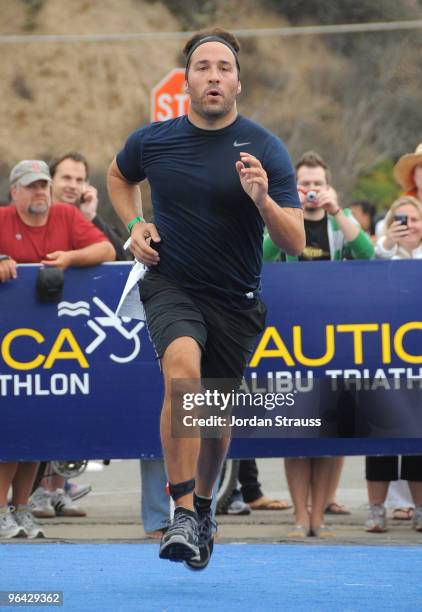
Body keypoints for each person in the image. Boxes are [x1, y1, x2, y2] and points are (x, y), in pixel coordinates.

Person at [107, 27, 304, 569]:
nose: (213, 75)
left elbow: (296, 241)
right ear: (186, 80)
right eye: (202, 67)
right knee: (181, 373)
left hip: (235, 300)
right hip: (171, 284)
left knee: (215, 420)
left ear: (238, 81)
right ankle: (183, 513)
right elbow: (119, 176)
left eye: (223, 67)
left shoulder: (264, 147)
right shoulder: (155, 140)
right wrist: (135, 224)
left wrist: (263, 199)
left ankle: (205, 506)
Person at [0, 160, 115, 539]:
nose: (39, 194)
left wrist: (70, 259)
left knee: (38, 430)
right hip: (10, 347)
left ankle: (22, 509)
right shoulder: (2, 219)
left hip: (53, 346)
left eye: (43, 186)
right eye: (31, 187)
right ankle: (1, 511)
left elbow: (106, 250)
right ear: (14, 192)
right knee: (9, 432)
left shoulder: (65, 216)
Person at [264, 151, 374, 538]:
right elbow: (260, 257)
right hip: (292, 340)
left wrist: (338, 211)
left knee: (334, 432)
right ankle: (299, 516)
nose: (310, 191)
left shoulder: (337, 225)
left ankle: (320, 518)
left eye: (317, 184)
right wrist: (281, 210)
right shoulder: (282, 221)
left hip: (337, 339)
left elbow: (368, 255)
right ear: (294, 187)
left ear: (328, 187)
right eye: (304, 184)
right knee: (296, 433)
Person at [30, 152, 126, 518]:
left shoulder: (79, 217)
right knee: (40, 409)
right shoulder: (34, 213)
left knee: (69, 410)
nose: (72, 185)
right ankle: (35, 492)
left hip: (77, 331)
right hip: (32, 329)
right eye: (65, 177)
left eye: (79, 178)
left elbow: (117, 251)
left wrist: (92, 218)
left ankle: (56, 489)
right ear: (50, 180)